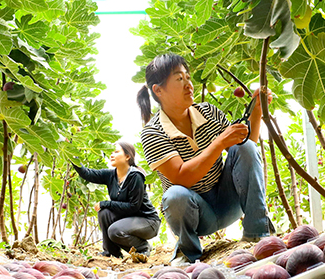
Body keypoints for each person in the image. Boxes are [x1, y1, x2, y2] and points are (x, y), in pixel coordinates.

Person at [137, 53, 271, 266]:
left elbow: (246, 150)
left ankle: (258, 234)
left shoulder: (208, 112)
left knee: (244, 146)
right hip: (196, 213)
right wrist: (219, 143)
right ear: (158, 90)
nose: (188, 84)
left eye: (188, 77)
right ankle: (188, 252)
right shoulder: (153, 133)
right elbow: (182, 178)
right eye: (179, 79)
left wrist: (257, 113)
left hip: (229, 200)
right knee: (174, 195)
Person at [72, 141, 160, 258]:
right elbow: (87, 173)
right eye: (112, 152)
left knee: (114, 231)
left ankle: (142, 247)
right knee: (104, 213)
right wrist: (72, 155)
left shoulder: (135, 176)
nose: (111, 155)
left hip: (148, 221)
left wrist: (106, 203)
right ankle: (111, 252)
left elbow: (133, 207)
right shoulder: (110, 175)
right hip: (130, 219)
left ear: (127, 157)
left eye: (116, 152)